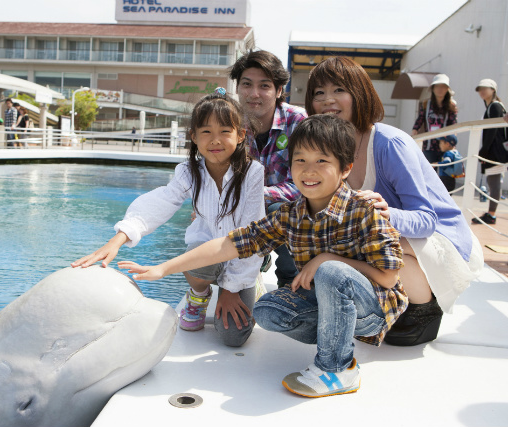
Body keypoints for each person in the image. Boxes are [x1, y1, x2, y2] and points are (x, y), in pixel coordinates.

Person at [119, 114, 407, 398]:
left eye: (322, 161)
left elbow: (389, 276)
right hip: (325, 302)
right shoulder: (290, 214)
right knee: (268, 311)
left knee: (331, 271)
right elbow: (230, 244)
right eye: (301, 160)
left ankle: (338, 368)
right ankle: (334, 337)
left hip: (371, 311)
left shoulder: (363, 209)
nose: (309, 170)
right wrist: (163, 268)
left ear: (345, 168)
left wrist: (324, 260)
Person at [306, 56, 483, 346]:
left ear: (359, 93)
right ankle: (389, 304)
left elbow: (427, 219)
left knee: (365, 248)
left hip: (441, 240)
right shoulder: (331, 147)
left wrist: (387, 215)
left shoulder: (389, 143)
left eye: (339, 90)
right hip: (392, 240)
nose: (327, 100)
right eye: (318, 93)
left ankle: (424, 307)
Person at [72, 89, 266, 347]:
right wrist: (118, 238)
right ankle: (198, 295)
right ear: (194, 137)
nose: (215, 140)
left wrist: (232, 290)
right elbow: (161, 201)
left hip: (243, 256)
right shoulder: (189, 171)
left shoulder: (252, 173)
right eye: (206, 132)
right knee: (196, 252)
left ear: (240, 135)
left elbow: (250, 236)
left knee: (233, 338)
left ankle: (252, 283)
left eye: (225, 131)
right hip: (205, 255)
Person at [228, 50, 307, 287]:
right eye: (247, 84)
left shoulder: (299, 122)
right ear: (237, 88)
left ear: (279, 90)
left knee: (282, 210)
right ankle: (242, 269)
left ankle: (290, 284)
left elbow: (306, 184)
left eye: (264, 86)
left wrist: (257, 193)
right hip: (241, 209)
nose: (254, 94)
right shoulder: (227, 122)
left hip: (287, 211)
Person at [472, 78, 507, 225]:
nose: (482, 91)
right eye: (480, 88)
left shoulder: (495, 106)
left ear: (493, 90)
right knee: (493, 181)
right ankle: (490, 212)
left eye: (485, 88)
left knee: (494, 181)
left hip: (496, 151)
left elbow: (493, 131)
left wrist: (484, 150)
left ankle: (491, 214)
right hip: (497, 150)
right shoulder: (492, 107)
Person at [411, 74, 458, 164]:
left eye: (443, 87)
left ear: (447, 89)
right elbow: (420, 119)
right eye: (437, 86)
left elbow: (454, 124)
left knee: (443, 174)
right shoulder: (426, 104)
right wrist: (414, 130)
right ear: (433, 88)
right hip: (429, 145)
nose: (440, 89)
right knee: (428, 172)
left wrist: (453, 142)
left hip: (445, 145)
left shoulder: (451, 105)